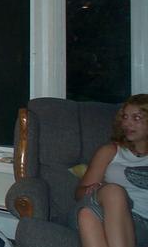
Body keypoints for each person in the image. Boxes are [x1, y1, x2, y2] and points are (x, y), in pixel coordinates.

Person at [73, 94, 148, 247]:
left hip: (139, 223)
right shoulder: (110, 151)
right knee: (113, 191)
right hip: (102, 207)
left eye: (136, 118)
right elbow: (78, 193)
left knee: (87, 216)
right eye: (125, 117)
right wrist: (93, 188)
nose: (127, 123)